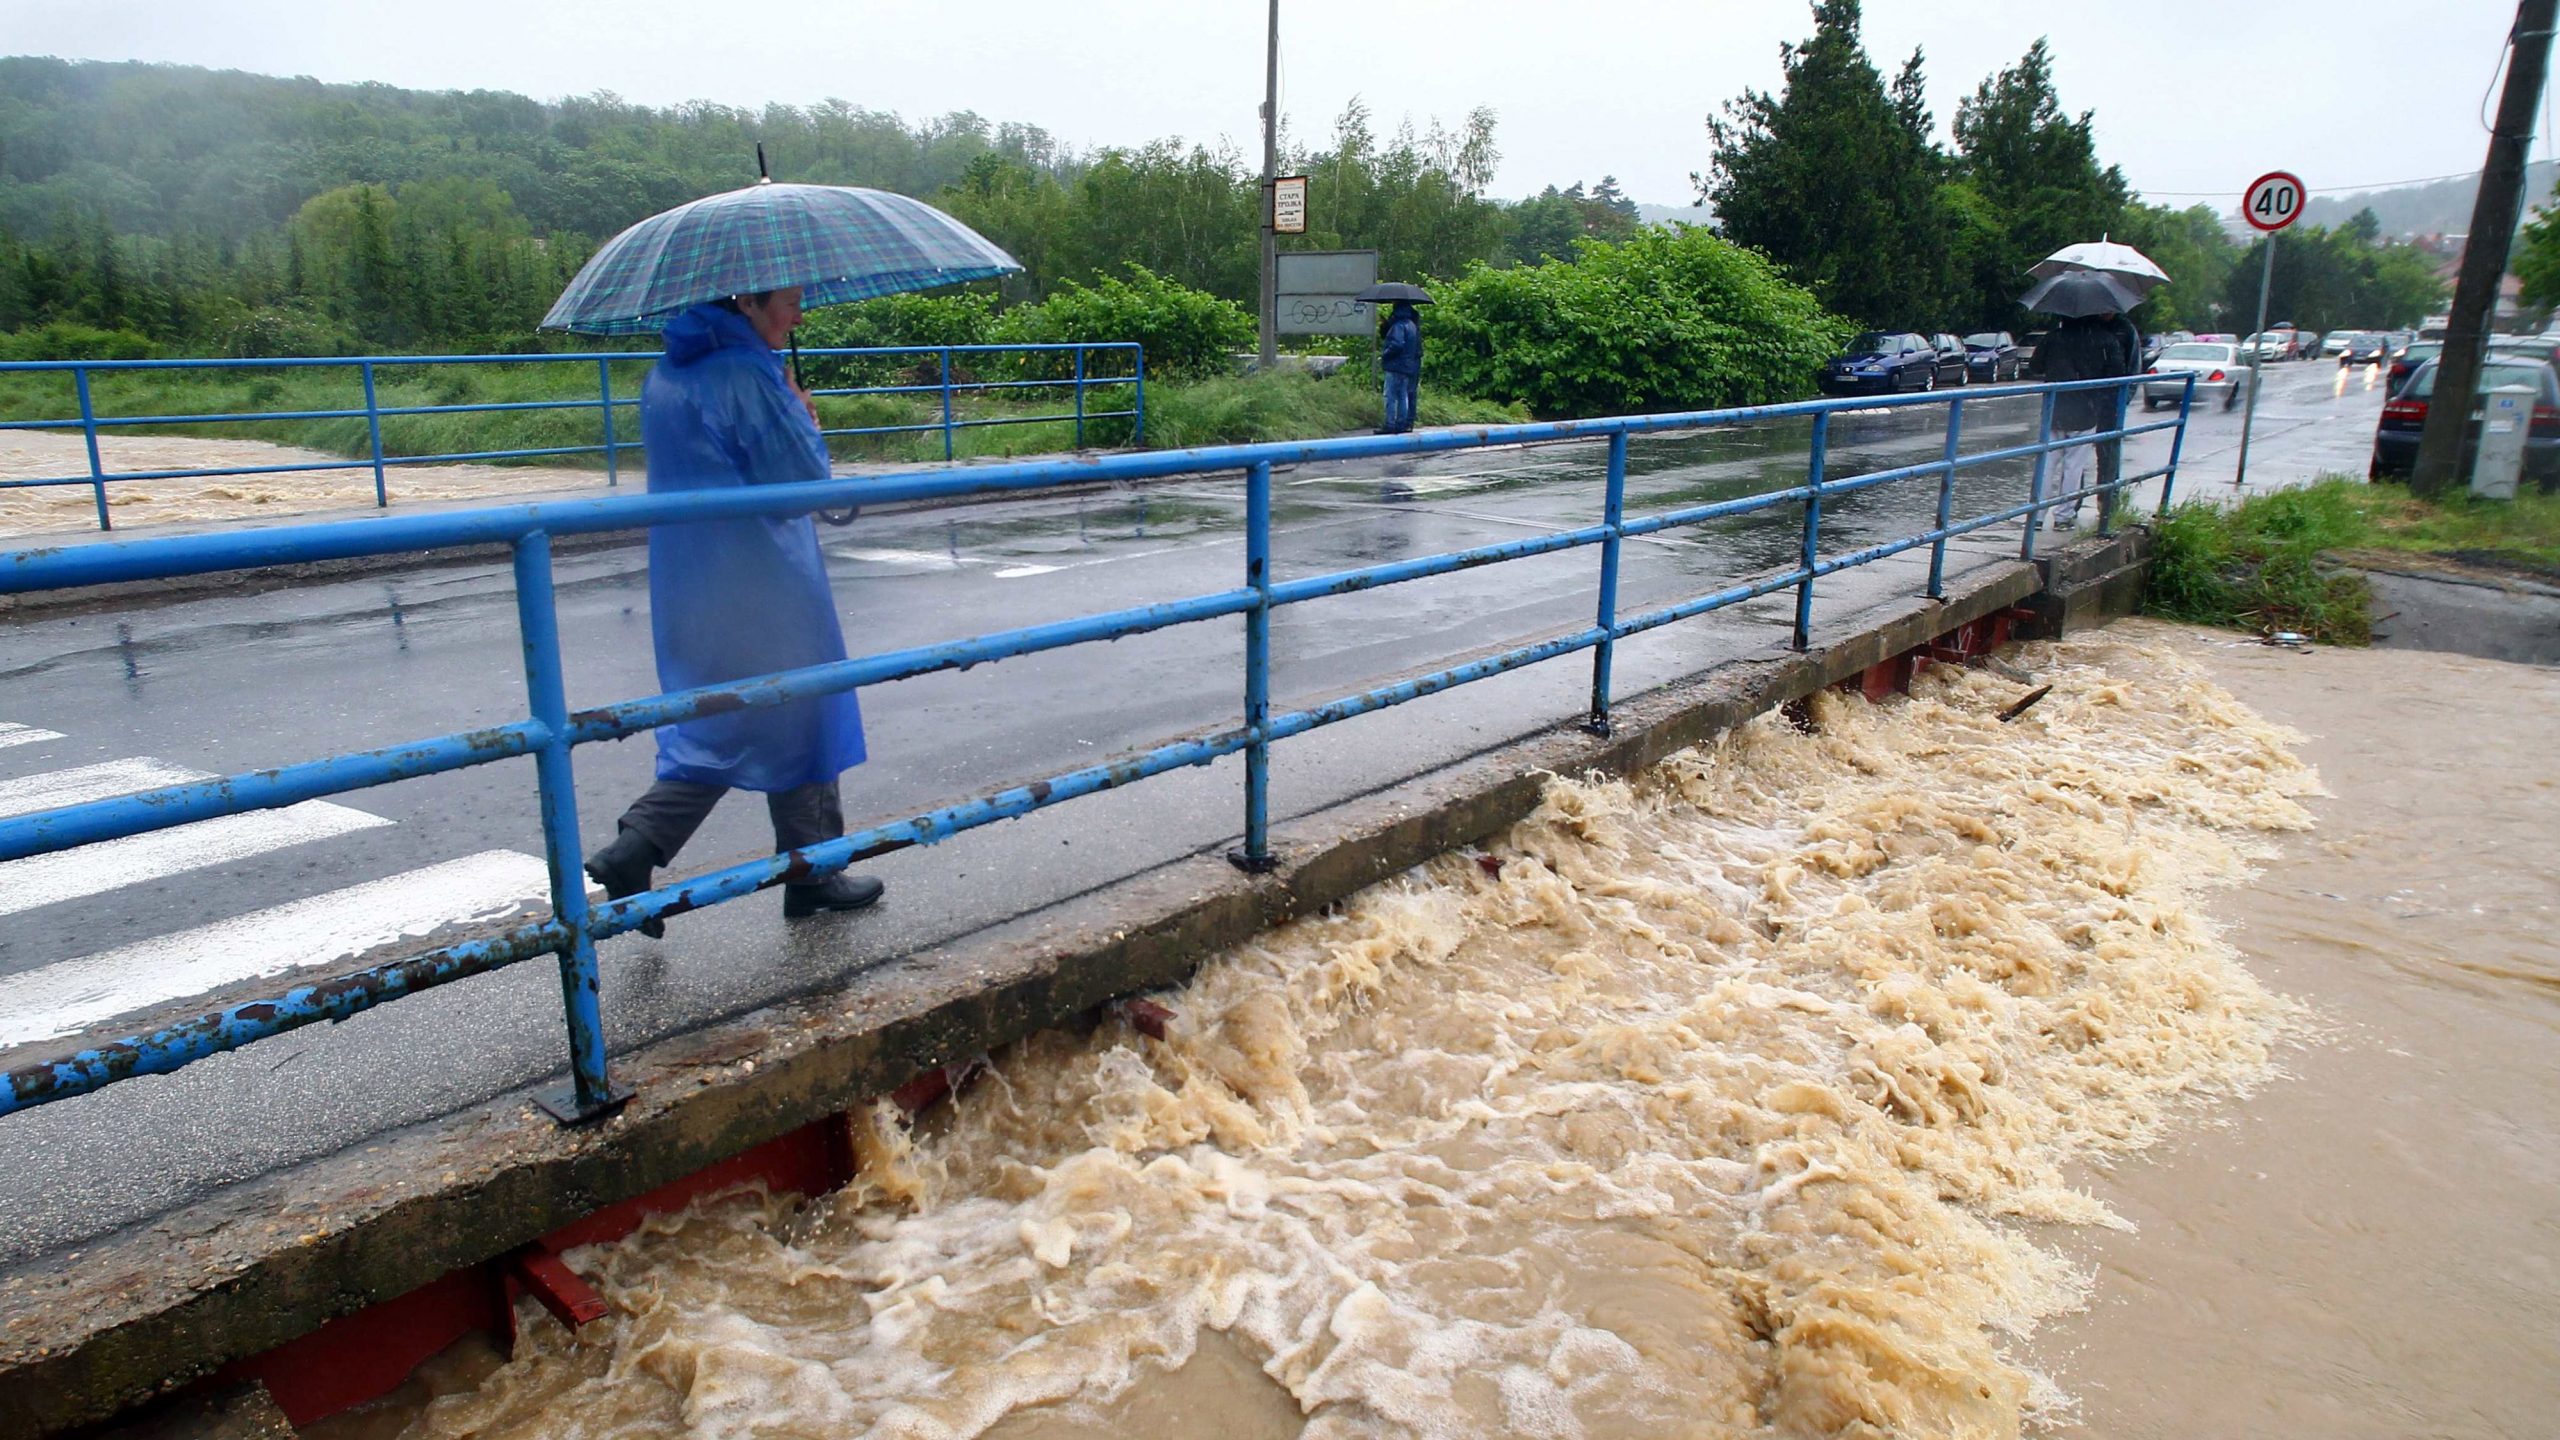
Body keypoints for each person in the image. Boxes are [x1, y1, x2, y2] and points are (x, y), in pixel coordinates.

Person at [583, 287, 884, 938]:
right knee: (799, 711)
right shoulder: (746, 372)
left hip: (694, 579)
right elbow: (799, 481)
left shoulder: (669, 372)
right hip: (766, 575)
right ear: (747, 300)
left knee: (726, 721)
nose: (798, 316)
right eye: (789, 302)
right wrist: (803, 416)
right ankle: (812, 873)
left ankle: (641, 848)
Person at [2037, 309, 2139, 530]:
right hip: (2086, 410)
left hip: (2054, 409)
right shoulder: (2106, 339)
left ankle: (2036, 515)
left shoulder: (2054, 337)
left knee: (2046, 464)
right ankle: (2063, 517)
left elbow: (2035, 366)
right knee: (2074, 466)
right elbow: (2118, 374)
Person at [1379, 300, 1422, 435]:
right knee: (1404, 395)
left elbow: (1397, 344)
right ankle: (1403, 423)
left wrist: (1385, 355)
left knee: (1390, 395)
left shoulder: (1398, 326)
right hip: (1408, 365)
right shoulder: (1412, 325)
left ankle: (1390, 423)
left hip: (1395, 364)